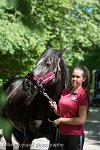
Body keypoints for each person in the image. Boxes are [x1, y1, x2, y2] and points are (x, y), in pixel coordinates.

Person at [49, 66, 90, 150]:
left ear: (84, 79)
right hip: (61, 134)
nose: (74, 79)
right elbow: (63, 114)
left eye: (78, 77)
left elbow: (81, 120)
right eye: (73, 76)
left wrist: (60, 120)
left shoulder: (82, 96)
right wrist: (55, 108)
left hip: (75, 136)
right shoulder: (64, 92)